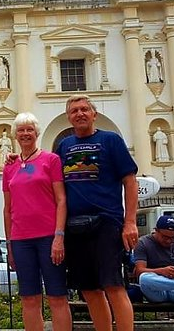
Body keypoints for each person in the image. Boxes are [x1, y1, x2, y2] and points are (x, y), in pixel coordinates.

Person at [55, 94, 139, 331]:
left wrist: (130, 221)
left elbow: (130, 181)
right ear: (69, 117)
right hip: (75, 226)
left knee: (113, 285)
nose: (80, 114)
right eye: (74, 111)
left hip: (106, 222)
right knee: (89, 289)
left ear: (94, 114)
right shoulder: (64, 146)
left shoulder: (110, 140)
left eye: (84, 109)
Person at [3, 112, 71, 331]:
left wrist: (59, 236)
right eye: (21, 130)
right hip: (21, 239)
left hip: (48, 237)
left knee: (57, 297)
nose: (25, 134)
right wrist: (10, 244)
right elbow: (7, 209)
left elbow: (61, 200)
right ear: (15, 135)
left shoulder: (51, 160)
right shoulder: (10, 166)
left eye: (29, 129)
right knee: (29, 298)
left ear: (37, 132)